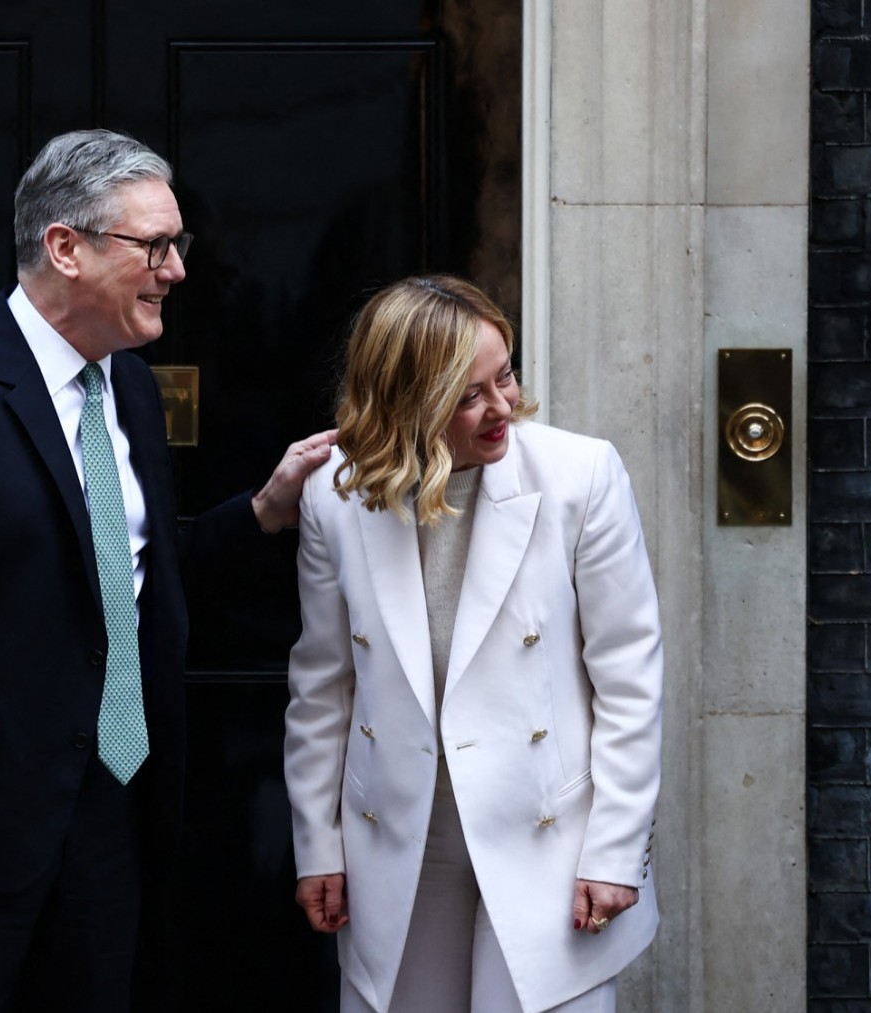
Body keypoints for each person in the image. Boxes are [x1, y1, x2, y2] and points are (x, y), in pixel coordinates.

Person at [0, 128, 334, 1012]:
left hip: (107, 821)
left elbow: (123, 578)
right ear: (65, 247)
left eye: (178, 244)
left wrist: (260, 511)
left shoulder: (127, 386)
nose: (177, 269)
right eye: (155, 245)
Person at [283, 275, 664, 1013]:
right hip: (397, 836)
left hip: (550, 835)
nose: (504, 407)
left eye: (506, 376)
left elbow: (630, 679)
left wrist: (616, 849)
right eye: (468, 395)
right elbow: (323, 685)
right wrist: (318, 844)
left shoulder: (581, 475)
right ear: (408, 402)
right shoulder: (335, 493)